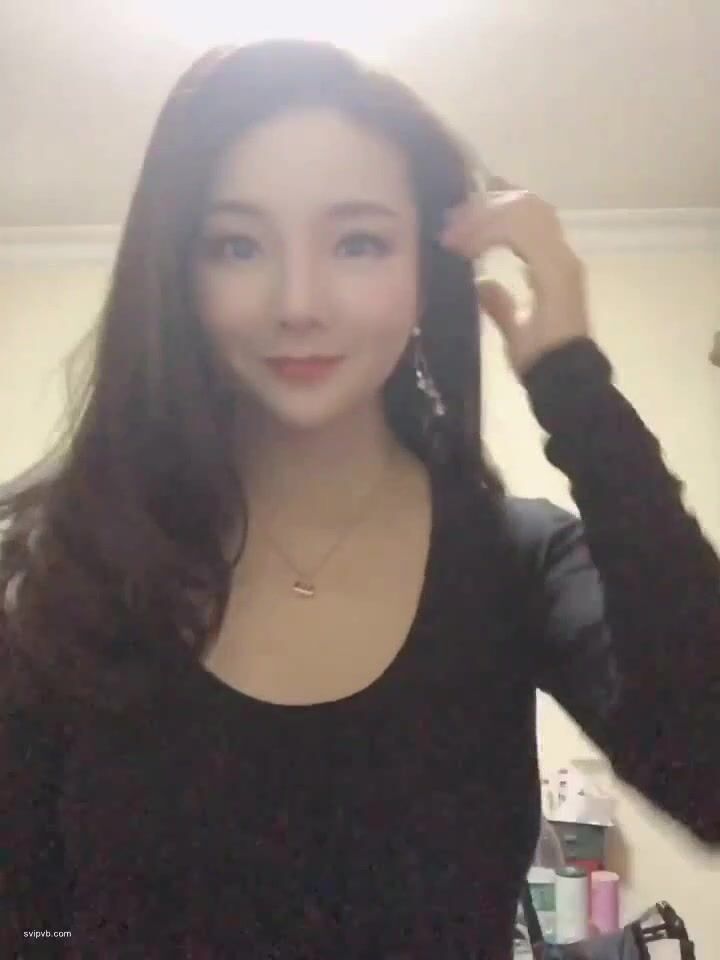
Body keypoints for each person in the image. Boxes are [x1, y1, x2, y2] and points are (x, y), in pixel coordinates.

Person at [1, 39, 718, 960]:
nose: (298, 302)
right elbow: (26, 914)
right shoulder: (58, 570)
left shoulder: (519, 563)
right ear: (179, 276)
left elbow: (708, 779)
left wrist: (576, 390)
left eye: (358, 242)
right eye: (237, 244)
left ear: (426, 274)